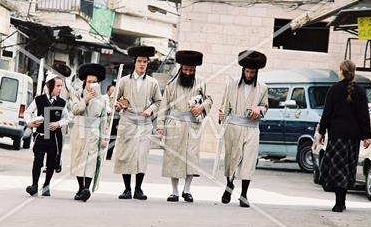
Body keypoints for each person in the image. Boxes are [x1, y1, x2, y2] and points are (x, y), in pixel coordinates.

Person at [157, 50, 213, 203]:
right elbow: (164, 106)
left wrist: (201, 108)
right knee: (174, 157)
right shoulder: (171, 84)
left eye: (191, 70)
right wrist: (160, 126)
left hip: (193, 125)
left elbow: (209, 100)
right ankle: (174, 191)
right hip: (174, 124)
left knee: (191, 157)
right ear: (181, 68)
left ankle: (187, 190)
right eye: (186, 69)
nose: (188, 73)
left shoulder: (201, 82)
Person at [318, 60, 371, 212]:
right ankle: (342, 202)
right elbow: (364, 116)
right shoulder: (360, 91)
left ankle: (338, 203)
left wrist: (321, 132)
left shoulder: (334, 89)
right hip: (353, 138)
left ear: (341, 72)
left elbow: (326, 113)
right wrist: (367, 136)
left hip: (337, 136)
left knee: (337, 168)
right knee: (348, 167)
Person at [218, 50, 268, 207]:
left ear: (256, 73)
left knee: (248, 161)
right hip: (233, 127)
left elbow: (265, 106)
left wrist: (258, 111)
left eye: (252, 72)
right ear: (242, 71)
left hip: (252, 128)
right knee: (231, 159)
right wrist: (221, 116)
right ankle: (229, 185)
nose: (249, 75)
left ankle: (244, 194)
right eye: (247, 71)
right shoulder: (231, 86)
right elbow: (225, 106)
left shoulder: (262, 88)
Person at [113, 46, 162, 200]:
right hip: (128, 121)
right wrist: (118, 105)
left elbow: (159, 102)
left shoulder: (153, 82)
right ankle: (127, 188)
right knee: (126, 154)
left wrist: (150, 110)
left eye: (145, 61)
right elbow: (114, 99)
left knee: (141, 155)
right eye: (140, 61)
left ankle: (138, 189)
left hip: (144, 123)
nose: (142, 64)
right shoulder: (124, 81)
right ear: (134, 62)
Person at [24, 74, 70, 196]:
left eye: (61, 86)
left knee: (51, 162)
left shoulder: (62, 102)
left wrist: (58, 124)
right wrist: (30, 122)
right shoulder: (39, 100)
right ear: (50, 86)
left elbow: (67, 118)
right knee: (37, 161)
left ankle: (46, 186)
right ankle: (34, 185)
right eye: (58, 86)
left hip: (54, 137)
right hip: (41, 135)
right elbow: (27, 113)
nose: (60, 88)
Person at [70, 63, 108, 202]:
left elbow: (104, 119)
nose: (91, 85)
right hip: (80, 128)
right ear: (85, 82)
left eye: (94, 82)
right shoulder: (77, 94)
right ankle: (80, 188)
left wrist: (104, 138)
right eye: (89, 82)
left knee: (92, 160)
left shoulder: (103, 99)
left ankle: (87, 188)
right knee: (79, 158)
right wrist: (85, 99)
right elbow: (75, 110)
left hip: (94, 131)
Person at [105, 81, 119, 160]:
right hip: (106, 119)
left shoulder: (117, 99)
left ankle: (109, 155)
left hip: (115, 120)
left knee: (113, 137)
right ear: (108, 91)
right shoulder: (104, 98)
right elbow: (106, 108)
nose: (114, 92)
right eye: (112, 90)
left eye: (115, 90)